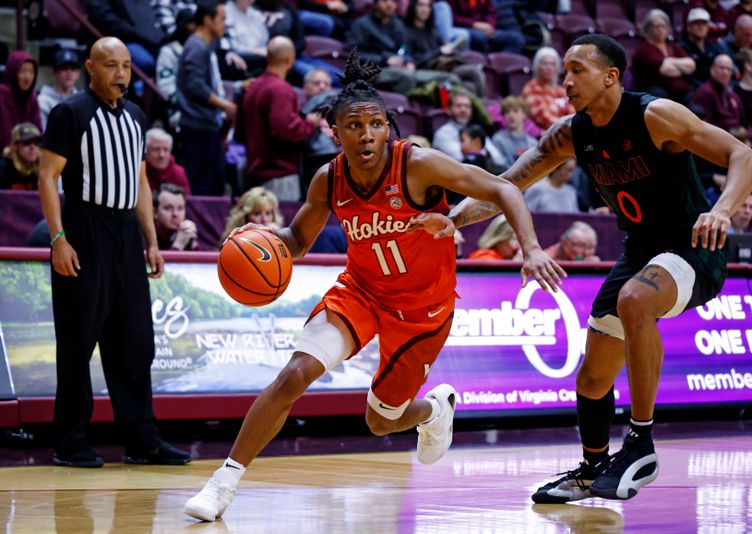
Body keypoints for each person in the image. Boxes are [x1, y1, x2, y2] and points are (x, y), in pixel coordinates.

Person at [183, 52, 547, 522]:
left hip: (423, 310)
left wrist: (532, 248)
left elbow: (504, 189)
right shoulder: (329, 179)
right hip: (360, 292)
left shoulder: (418, 164)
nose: (367, 134)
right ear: (336, 133)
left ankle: (433, 411)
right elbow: (296, 241)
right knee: (294, 374)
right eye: (354, 126)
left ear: (388, 128)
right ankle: (223, 483)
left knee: (380, 421)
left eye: (376, 124)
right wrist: (260, 244)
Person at [418, 33, 752, 502]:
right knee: (593, 377)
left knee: (635, 299)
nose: (567, 81)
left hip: (694, 246)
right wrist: (453, 218)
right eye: (564, 71)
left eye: (578, 70)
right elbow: (505, 186)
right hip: (640, 251)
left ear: (610, 76)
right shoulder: (570, 133)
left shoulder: (655, 115)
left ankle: (640, 443)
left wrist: (721, 209)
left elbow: (744, 155)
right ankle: (592, 467)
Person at [37, 37, 191, 468]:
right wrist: (58, 239)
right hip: (85, 228)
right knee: (78, 339)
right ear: (91, 67)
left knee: (136, 341)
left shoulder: (137, 117)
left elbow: (142, 183)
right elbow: (48, 177)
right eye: (110, 65)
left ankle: (142, 440)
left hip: (125, 235)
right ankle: (69, 441)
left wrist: (152, 240)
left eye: (125, 65)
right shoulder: (69, 113)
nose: (120, 73)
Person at [239, 36, 321, 199]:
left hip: (253, 172)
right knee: (280, 224)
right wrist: (309, 123)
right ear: (289, 60)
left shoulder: (251, 87)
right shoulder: (281, 89)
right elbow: (285, 129)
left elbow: (240, 132)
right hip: (279, 174)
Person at [177, 0, 237, 196]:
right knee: (203, 188)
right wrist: (225, 105)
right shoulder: (196, 47)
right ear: (207, 20)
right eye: (222, 18)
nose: (225, 23)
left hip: (204, 124)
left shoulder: (204, 45)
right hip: (197, 126)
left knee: (215, 185)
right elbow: (196, 86)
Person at [632, 9, 695, 104]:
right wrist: (681, 68)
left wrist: (669, 60)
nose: (661, 29)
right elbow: (666, 70)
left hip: (679, 92)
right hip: (656, 93)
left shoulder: (672, 46)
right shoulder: (644, 49)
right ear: (648, 28)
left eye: (663, 26)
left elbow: (691, 65)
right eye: (657, 26)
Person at [522, 46, 574, 130]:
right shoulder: (531, 88)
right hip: (547, 135)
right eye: (545, 63)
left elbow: (574, 111)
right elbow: (542, 116)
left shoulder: (561, 90)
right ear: (538, 67)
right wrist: (568, 128)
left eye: (552, 64)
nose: (549, 67)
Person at [0, 50, 41, 150]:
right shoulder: (2, 94)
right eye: (22, 71)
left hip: (27, 156)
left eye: (31, 72)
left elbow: (37, 131)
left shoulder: (32, 97)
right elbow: (5, 136)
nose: (27, 77)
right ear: (13, 72)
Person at [219, 185, 283, 245]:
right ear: (245, 216)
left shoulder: (279, 233)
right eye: (257, 213)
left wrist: (279, 234)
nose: (264, 219)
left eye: (268, 213)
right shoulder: (231, 238)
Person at [38, 49, 82, 129]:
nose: (69, 73)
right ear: (54, 72)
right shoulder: (43, 101)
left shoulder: (82, 100)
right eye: (64, 68)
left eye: (72, 69)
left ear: (78, 73)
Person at [491, 96, 537, 171]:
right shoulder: (498, 139)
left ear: (524, 114)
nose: (511, 115)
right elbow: (500, 167)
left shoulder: (533, 143)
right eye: (507, 112)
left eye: (515, 111)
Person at [145, 128, 192, 193]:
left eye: (166, 150)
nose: (161, 155)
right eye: (156, 149)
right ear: (145, 151)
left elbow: (188, 201)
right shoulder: (139, 172)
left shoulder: (178, 173)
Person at [153, 183, 198, 250]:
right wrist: (179, 244)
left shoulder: (185, 233)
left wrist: (193, 245)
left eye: (180, 208)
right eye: (168, 208)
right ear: (155, 212)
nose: (175, 214)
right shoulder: (146, 238)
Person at [0, 122, 41, 190]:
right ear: (15, 146)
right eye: (27, 142)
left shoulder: (40, 168)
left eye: (36, 143)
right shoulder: (4, 168)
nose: (33, 147)